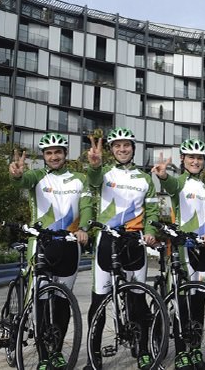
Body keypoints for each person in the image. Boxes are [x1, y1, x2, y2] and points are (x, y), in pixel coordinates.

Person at [9, 133, 92, 370]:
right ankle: (43, 355)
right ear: (43, 156)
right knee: (42, 302)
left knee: (63, 302)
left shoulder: (80, 179)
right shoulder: (37, 176)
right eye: (48, 153)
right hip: (42, 245)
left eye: (58, 152)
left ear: (65, 154)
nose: (53, 157)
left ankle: (56, 351)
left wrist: (84, 228)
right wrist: (16, 175)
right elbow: (22, 180)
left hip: (69, 246)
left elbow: (86, 206)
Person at [85, 127, 159, 370]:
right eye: (117, 146)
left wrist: (150, 231)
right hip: (107, 241)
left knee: (138, 300)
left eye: (126, 145)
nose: (122, 149)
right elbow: (93, 181)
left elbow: (152, 212)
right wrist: (95, 166)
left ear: (133, 149)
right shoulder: (104, 173)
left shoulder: (145, 179)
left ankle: (145, 350)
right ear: (111, 150)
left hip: (135, 242)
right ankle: (93, 354)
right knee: (99, 301)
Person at [151, 138, 205, 370]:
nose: (196, 161)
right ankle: (181, 353)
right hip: (182, 249)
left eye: (199, 158)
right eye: (191, 157)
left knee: (199, 302)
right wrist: (163, 176)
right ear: (183, 160)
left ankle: (195, 350)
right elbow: (169, 191)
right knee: (182, 303)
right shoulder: (177, 181)